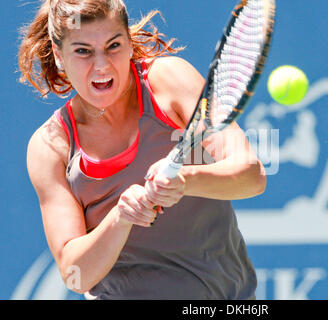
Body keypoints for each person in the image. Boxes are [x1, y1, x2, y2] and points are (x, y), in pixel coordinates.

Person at [19, 0, 266, 300]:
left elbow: (252, 176)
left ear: (129, 41)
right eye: (83, 50)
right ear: (59, 55)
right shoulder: (51, 147)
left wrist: (185, 181)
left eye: (113, 45)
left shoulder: (168, 82)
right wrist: (121, 217)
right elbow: (76, 275)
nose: (102, 65)